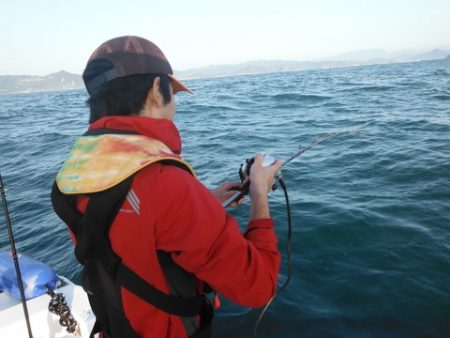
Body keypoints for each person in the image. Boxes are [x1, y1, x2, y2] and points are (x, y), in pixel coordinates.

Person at [52, 35, 282, 338]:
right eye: (172, 93)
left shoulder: (75, 170)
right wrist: (259, 194)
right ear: (154, 93)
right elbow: (258, 287)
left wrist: (206, 202)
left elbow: (129, 229)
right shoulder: (165, 182)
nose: (175, 104)